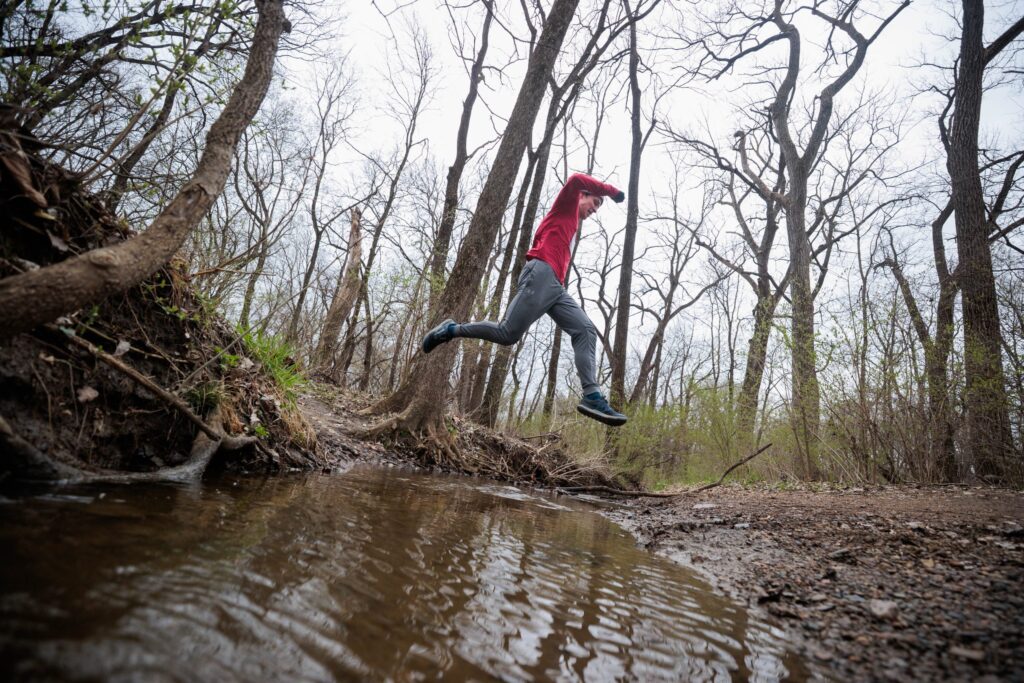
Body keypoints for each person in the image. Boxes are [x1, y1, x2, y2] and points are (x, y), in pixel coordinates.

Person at [421, 172, 628, 426]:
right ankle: (450, 330)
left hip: (555, 288)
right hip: (541, 273)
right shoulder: (566, 206)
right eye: (594, 203)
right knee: (507, 333)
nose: (594, 210)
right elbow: (575, 179)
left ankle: (592, 396)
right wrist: (611, 191)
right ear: (582, 196)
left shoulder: (571, 225)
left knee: (585, 330)